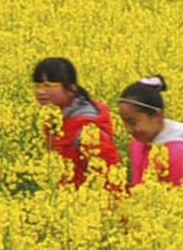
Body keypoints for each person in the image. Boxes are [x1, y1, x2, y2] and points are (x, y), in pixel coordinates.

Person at [31, 56, 121, 188]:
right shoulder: (54, 121)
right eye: (37, 86)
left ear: (71, 89)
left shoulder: (88, 130)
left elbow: (111, 178)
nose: (40, 91)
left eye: (48, 85)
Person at [116, 76, 183, 187]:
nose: (128, 129)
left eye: (133, 122)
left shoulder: (177, 155)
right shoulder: (137, 144)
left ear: (158, 115)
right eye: (125, 122)